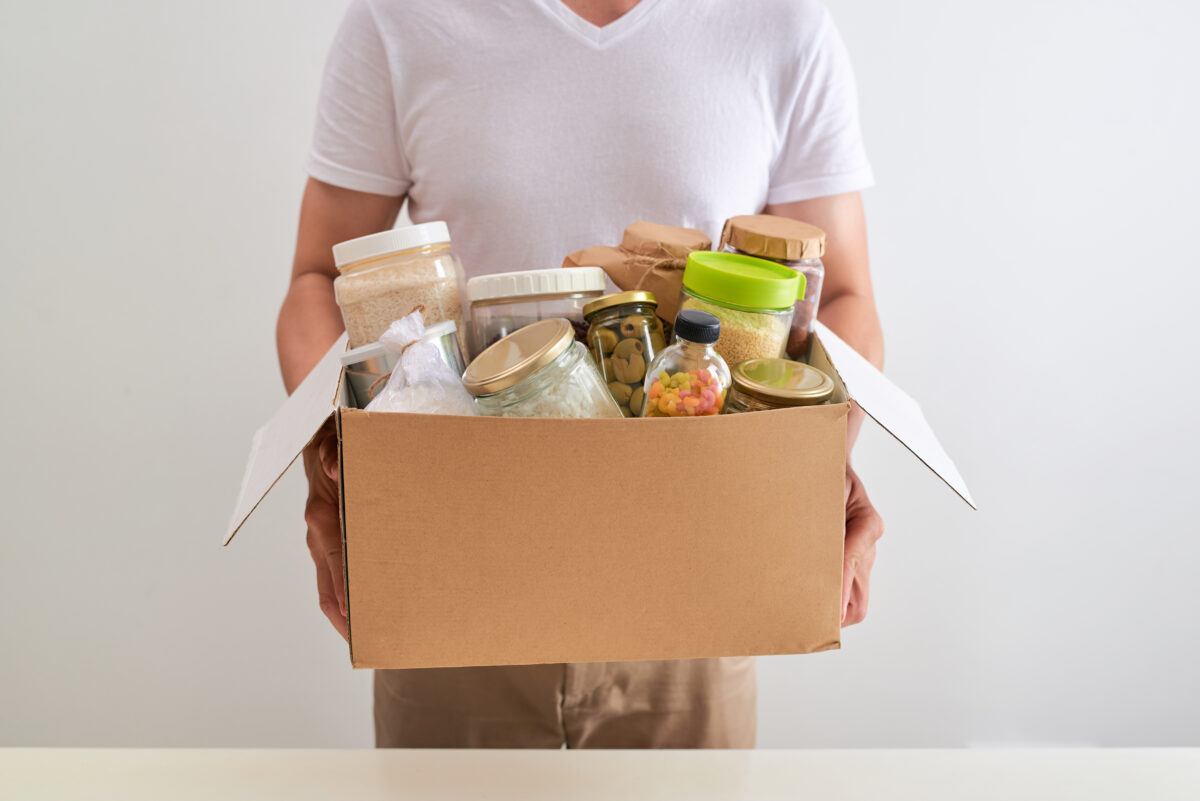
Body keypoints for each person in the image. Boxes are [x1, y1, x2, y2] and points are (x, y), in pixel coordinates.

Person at [278, 0, 884, 749]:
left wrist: (823, 459)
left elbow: (844, 296)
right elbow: (317, 278)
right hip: (457, 571)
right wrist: (331, 462)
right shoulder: (400, 19)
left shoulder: (780, 25)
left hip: (692, 580)